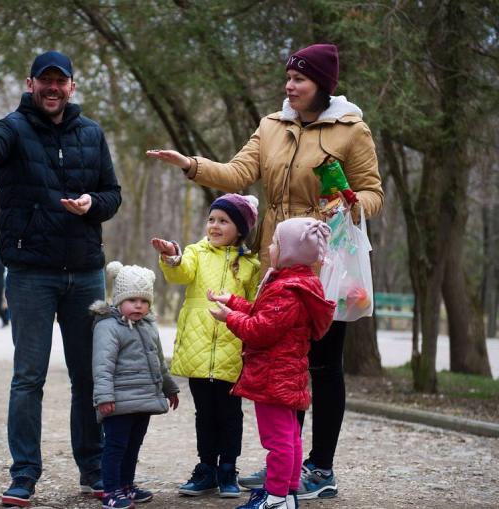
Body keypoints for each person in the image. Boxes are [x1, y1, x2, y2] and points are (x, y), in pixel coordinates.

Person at [147, 43, 384, 499]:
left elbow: (373, 193)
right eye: (288, 78)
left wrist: (351, 204)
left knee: (323, 364)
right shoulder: (271, 126)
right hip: (276, 262)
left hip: (324, 264)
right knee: (284, 364)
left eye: (299, 79)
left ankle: (321, 468)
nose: (289, 86)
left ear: (322, 85)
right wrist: (191, 165)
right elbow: (238, 173)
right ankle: (287, 463)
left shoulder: (352, 130)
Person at [0, 50, 122, 507]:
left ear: (72, 87)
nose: (53, 88)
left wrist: (92, 204)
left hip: (85, 272)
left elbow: (112, 194)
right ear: (31, 83)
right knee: (28, 378)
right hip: (30, 274)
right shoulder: (14, 127)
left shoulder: (91, 133)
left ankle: (94, 470)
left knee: (89, 377)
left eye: (61, 81)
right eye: (46, 80)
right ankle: (23, 475)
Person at [208, 218, 336, 509]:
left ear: (291, 252)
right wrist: (234, 301)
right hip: (286, 374)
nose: (270, 247)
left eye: (276, 243)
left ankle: (275, 497)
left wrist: (229, 318)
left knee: (278, 441)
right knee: (290, 437)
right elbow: (265, 314)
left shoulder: (285, 289)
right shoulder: (298, 284)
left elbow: (260, 330)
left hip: (272, 376)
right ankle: (287, 495)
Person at [151, 193, 261, 498]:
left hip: (232, 350)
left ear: (240, 229)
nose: (214, 225)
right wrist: (171, 256)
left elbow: (254, 305)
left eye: (223, 221)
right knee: (204, 413)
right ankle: (206, 468)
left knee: (230, 413)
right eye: (211, 219)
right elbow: (180, 272)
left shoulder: (250, 263)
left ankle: (228, 468)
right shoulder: (196, 252)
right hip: (198, 349)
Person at [90, 261, 180, 509]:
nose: (138, 305)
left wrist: (170, 388)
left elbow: (158, 362)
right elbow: (102, 365)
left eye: (143, 300)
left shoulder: (148, 326)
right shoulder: (108, 327)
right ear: (119, 300)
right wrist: (104, 397)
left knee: (132, 446)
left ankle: (126, 485)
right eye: (132, 300)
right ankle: (110, 491)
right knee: (116, 447)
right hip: (118, 402)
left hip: (144, 400)